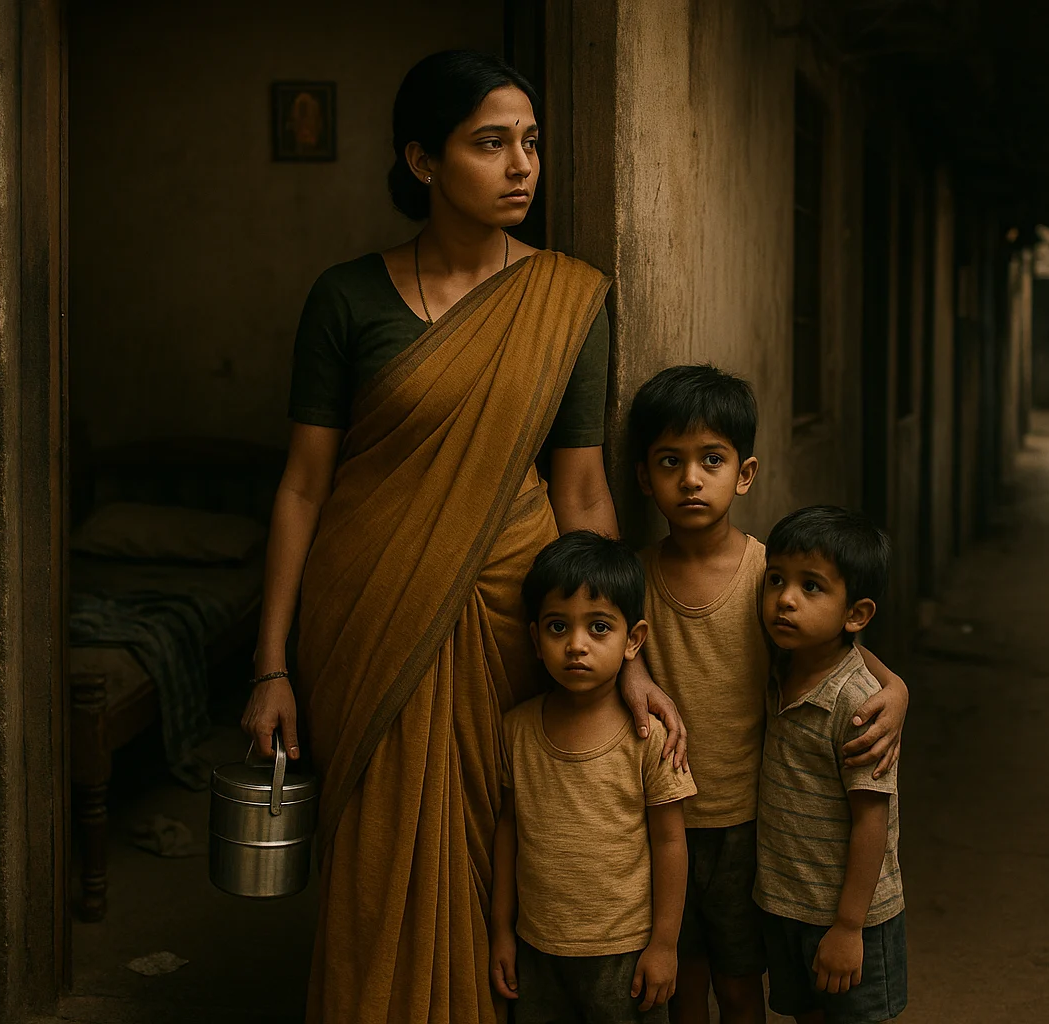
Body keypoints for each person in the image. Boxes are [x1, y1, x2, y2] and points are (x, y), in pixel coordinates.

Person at [239, 51, 686, 1024]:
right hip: (369, 609)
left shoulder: (566, 302)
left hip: (507, 612)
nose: (521, 164)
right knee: (376, 855)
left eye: (530, 142)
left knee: (499, 837)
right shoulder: (347, 298)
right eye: (491, 143)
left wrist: (628, 658)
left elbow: (579, 488)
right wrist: (269, 664)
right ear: (423, 160)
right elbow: (304, 486)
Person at [626, 367, 911, 1024]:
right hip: (661, 821)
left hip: (747, 823)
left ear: (744, 474)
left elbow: (832, 644)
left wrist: (896, 687)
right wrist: (633, 675)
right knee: (682, 983)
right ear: (644, 476)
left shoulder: (769, 574)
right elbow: (609, 647)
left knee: (737, 983)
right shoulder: (633, 576)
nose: (691, 479)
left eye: (712, 460)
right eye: (671, 462)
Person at [491, 531, 696, 1023]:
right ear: (535, 640)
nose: (576, 646)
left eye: (599, 627)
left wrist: (665, 945)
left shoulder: (651, 737)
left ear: (634, 640)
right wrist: (501, 930)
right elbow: (508, 832)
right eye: (558, 627)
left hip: (624, 955)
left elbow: (671, 843)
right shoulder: (516, 729)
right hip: (536, 948)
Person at [755, 507, 907, 1024]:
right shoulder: (778, 666)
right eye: (775, 580)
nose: (785, 599)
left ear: (856, 615)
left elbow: (872, 819)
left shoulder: (859, 706)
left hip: (851, 914)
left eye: (811, 587)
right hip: (788, 901)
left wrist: (847, 928)